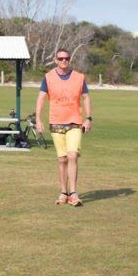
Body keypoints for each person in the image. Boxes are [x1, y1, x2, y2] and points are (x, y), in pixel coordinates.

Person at [35, 49, 92, 207]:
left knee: (72, 156)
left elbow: (86, 98)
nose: (64, 61)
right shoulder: (48, 77)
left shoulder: (79, 77)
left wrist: (88, 118)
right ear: (55, 60)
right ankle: (63, 192)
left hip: (75, 122)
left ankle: (73, 193)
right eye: (61, 58)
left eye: (66, 58)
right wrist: (38, 119)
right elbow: (41, 98)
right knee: (62, 159)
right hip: (56, 122)